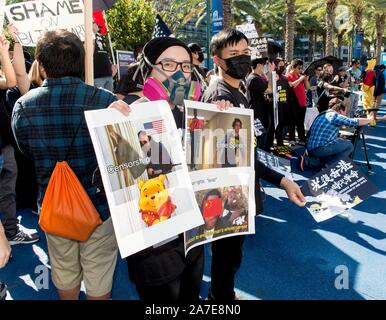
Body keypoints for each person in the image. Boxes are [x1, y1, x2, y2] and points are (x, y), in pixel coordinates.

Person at [12, 30, 131, 300]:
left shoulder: (22, 106)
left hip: (54, 206)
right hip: (98, 205)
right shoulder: (105, 102)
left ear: (40, 63)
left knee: (63, 271)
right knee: (99, 273)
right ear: (80, 61)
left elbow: (26, 151)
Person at [202, 28, 306, 301]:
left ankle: (220, 294)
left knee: (230, 255)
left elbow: (246, 151)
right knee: (227, 256)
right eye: (233, 54)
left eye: (245, 53)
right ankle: (220, 300)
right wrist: (282, 181)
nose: (242, 59)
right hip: (228, 193)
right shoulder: (219, 96)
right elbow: (237, 156)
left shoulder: (239, 88)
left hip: (238, 186)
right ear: (217, 59)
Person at [125, 36, 206, 302]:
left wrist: (221, 116)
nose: (181, 73)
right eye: (169, 64)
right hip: (154, 248)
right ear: (148, 69)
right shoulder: (128, 115)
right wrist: (114, 122)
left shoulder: (193, 114)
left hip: (193, 238)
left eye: (185, 66)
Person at [0, 33, 40, 245]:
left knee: (7, 189)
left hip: (4, 142)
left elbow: (13, 80)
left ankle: (10, 231)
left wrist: (7, 48)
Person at [299, 99, 374, 170]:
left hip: (310, 148)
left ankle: (306, 161)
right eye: (346, 112)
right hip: (319, 149)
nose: (346, 114)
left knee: (330, 158)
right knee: (349, 145)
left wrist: (338, 136)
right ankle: (328, 168)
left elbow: (324, 132)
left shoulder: (323, 114)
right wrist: (370, 119)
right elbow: (353, 122)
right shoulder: (334, 115)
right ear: (340, 110)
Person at [246, 57, 274, 151]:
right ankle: (257, 162)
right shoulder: (254, 79)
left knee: (262, 138)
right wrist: (270, 73)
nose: (265, 67)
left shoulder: (256, 77)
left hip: (260, 114)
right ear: (258, 65)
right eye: (264, 65)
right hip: (257, 115)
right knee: (260, 140)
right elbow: (270, 90)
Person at [286, 59, 310, 145]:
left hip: (302, 103)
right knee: (292, 121)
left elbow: (308, 88)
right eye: (299, 68)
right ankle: (291, 139)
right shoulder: (288, 76)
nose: (300, 70)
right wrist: (300, 79)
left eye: (301, 68)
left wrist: (306, 80)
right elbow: (291, 86)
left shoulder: (300, 76)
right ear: (293, 67)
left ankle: (302, 139)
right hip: (293, 102)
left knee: (300, 122)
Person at [93, 19, 117, 91]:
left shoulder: (101, 37)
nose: (97, 25)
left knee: (109, 100)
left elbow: (106, 53)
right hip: (96, 76)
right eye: (94, 22)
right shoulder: (86, 36)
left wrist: (111, 65)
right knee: (98, 101)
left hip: (108, 75)